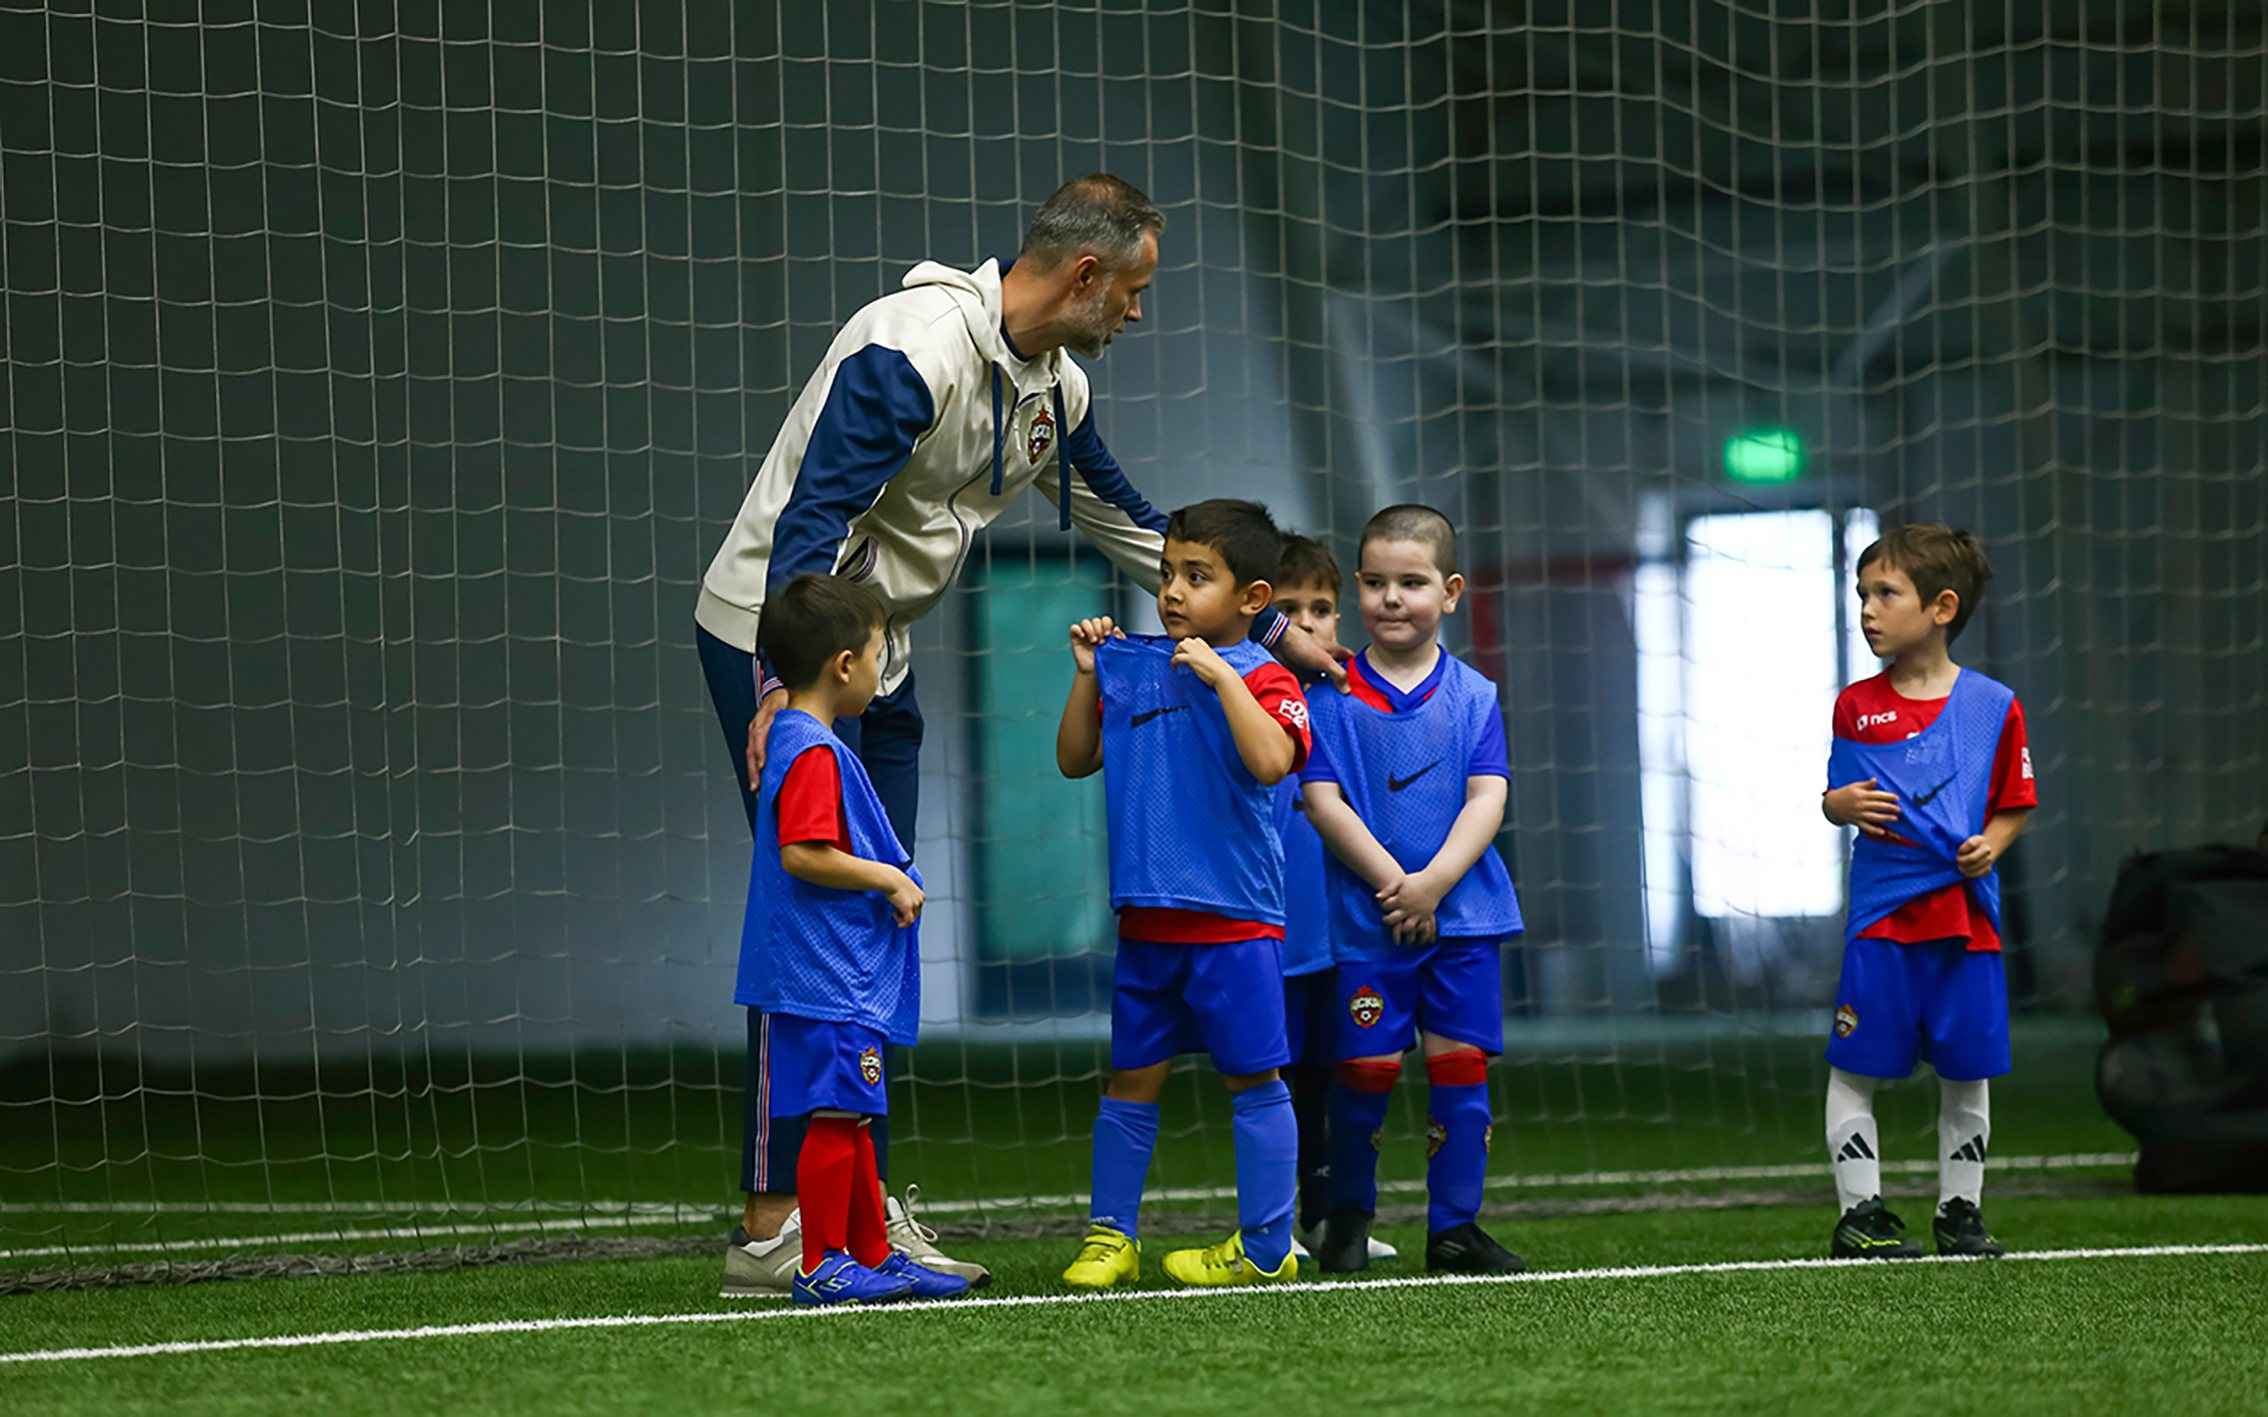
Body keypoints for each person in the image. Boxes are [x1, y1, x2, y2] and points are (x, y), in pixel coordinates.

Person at [700, 174, 1343, 1296]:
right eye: (1133, 290)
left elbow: (1126, 521)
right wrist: (779, 689)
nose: (1137, 312)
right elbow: (813, 522)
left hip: (878, 657)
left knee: (877, 920)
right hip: (784, 641)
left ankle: (857, 1217)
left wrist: (1276, 631)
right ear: (1087, 275)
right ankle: (773, 1225)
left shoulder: (1060, 389)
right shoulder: (911, 349)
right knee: (812, 922)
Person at [1056, 500, 1312, 1289]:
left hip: (1236, 923)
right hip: (1146, 921)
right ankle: (1111, 1236)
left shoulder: (1267, 677)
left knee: (1254, 1079)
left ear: (1252, 597)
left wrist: (1222, 677)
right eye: (1168, 572)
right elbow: (1074, 758)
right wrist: (1087, 676)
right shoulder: (1137, 665)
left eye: (1197, 576)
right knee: (1131, 1079)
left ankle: (1266, 1246)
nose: (1171, 590)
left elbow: (1272, 762)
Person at [1300, 505, 1527, 1276]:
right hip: (1369, 920)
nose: (1391, 598)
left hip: (1464, 919)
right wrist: (1396, 886)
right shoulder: (1330, 697)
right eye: (1374, 582)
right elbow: (1323, 801)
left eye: (1412, 582)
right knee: (1364, 1071)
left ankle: (1455, 1228)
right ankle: (1347, 1223)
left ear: (1451, 592)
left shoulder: (1475, 695)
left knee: (1460, 1065)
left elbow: (1488, 796)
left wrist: (1434, 884)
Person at [733, 574, 969, 1305]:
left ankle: (871, 1254)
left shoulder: (812, 743)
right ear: (843, 665)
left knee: (855, 1118)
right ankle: (822, 1262)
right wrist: (887, 877)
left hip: (838, 975)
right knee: (838, 1119)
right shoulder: (812, 751)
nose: (879, 670)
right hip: (825, 975)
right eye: (876, 655)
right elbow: (803, 852)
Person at [1819, 524, 2036, 1260]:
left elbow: (2014, 803)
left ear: (1942, 607)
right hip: (1883, 919)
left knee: (1967, 1069)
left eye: (1886, 593)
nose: (1867, 609)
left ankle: (1960, 1213)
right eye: (1862, 593)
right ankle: (1860, 1214)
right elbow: (1840, 794)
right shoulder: (1856, 706)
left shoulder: (1993, 706)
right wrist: (1836, 805)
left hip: (1965, 920)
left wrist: (1990, 845)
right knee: (1856, 1066)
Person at [1270, 534, 1399, 1265]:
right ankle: (1271, 1220)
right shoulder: (1244, 690)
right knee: (1277, 1078)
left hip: (1342, 927)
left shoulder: (1349, 694)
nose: (1308, 624)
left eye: (1320, 609)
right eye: (1289, 610)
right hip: (1273, 927)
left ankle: (1328, 1215)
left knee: (1336, 1071)